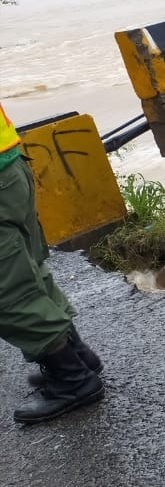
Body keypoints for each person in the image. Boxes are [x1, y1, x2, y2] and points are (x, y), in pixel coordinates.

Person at [0, 101, 106, 424]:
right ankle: (77, 354)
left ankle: (73, 379)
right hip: (11, 166)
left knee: (8, 292)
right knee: (27, 271)